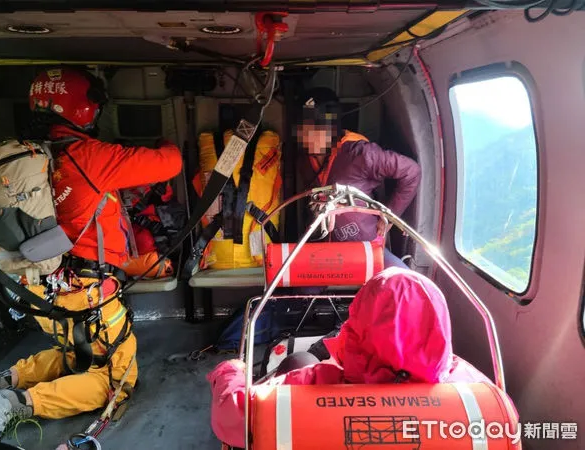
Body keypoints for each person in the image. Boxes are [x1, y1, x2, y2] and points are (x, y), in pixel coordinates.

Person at [0, 67, 182, 441]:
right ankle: (18, 401)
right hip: (87, 295)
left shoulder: (28, 158)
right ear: (84, 109)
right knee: (116, 379)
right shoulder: (89, 156)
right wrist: (168, 142)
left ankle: (10, 374)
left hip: (41, 290)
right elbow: (169, 164)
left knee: (76, 354)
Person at [207, 267, 492, 448]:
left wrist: (231, 370)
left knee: (299, 359)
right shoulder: (476, 392)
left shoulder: (315, 384)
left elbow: (233, 415)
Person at [296, 87, 421, 267]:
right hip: (326, 254)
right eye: (304, 130)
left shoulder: (360, 154)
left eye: (317, 129)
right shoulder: (305, 161)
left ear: (332, 128)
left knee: (404, 281)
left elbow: (411, 171)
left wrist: (390, 215)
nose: (309, 138)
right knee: (300, 291)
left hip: (368, 250)